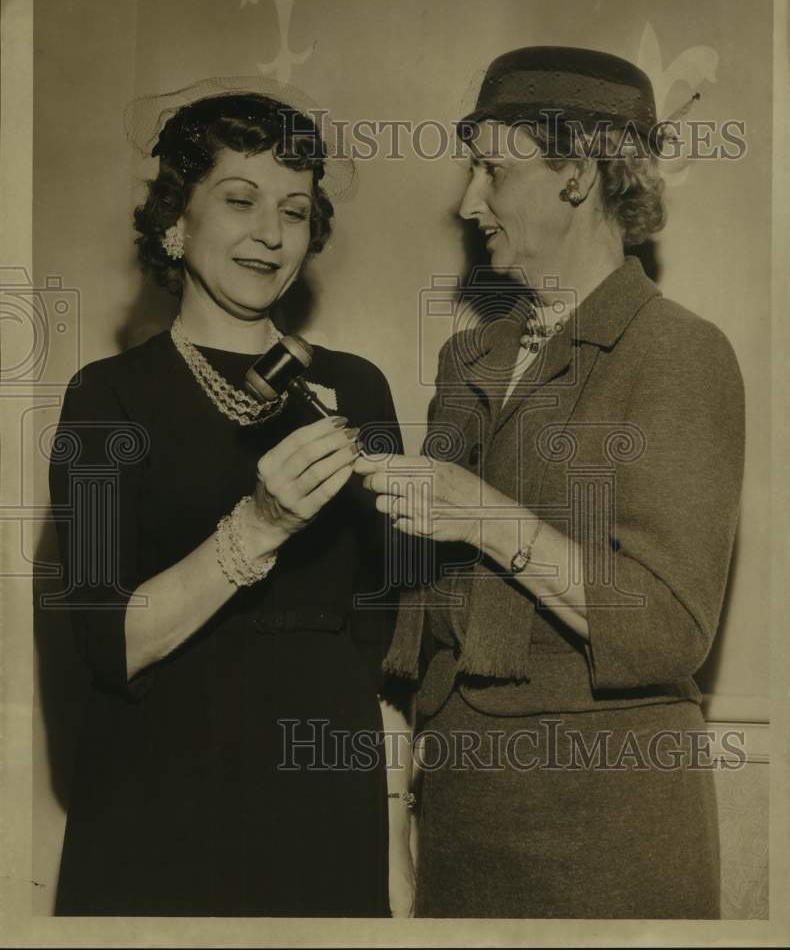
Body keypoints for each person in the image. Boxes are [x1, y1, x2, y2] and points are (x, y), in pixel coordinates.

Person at [358, 46, 745, 918]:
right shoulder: (473, 356)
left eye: (493, 169)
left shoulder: (679, 351)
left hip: (602, 828)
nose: (468, 202)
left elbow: (672, 626)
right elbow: (425, 612)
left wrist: (486, 517)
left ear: (577, 172)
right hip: (460, 812)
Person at [48, 83, 414, 917]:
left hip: (325, 793)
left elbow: (387, 634)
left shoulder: (357, 386)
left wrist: (393, 835)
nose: (271, 232)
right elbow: (106, 644)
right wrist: (259, 526)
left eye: (295, 208)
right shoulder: (105, 398)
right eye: (240, 199)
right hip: (156, 794)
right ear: (176, 221)